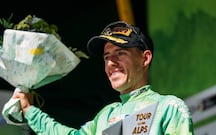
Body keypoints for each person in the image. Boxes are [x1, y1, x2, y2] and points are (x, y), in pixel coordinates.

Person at [13, 21, 195, 135]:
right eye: (107, 57)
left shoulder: (169, 107)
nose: (111, 63)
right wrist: (29, 110)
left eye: (120, 53)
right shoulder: (106, 116)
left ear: (145, 58)